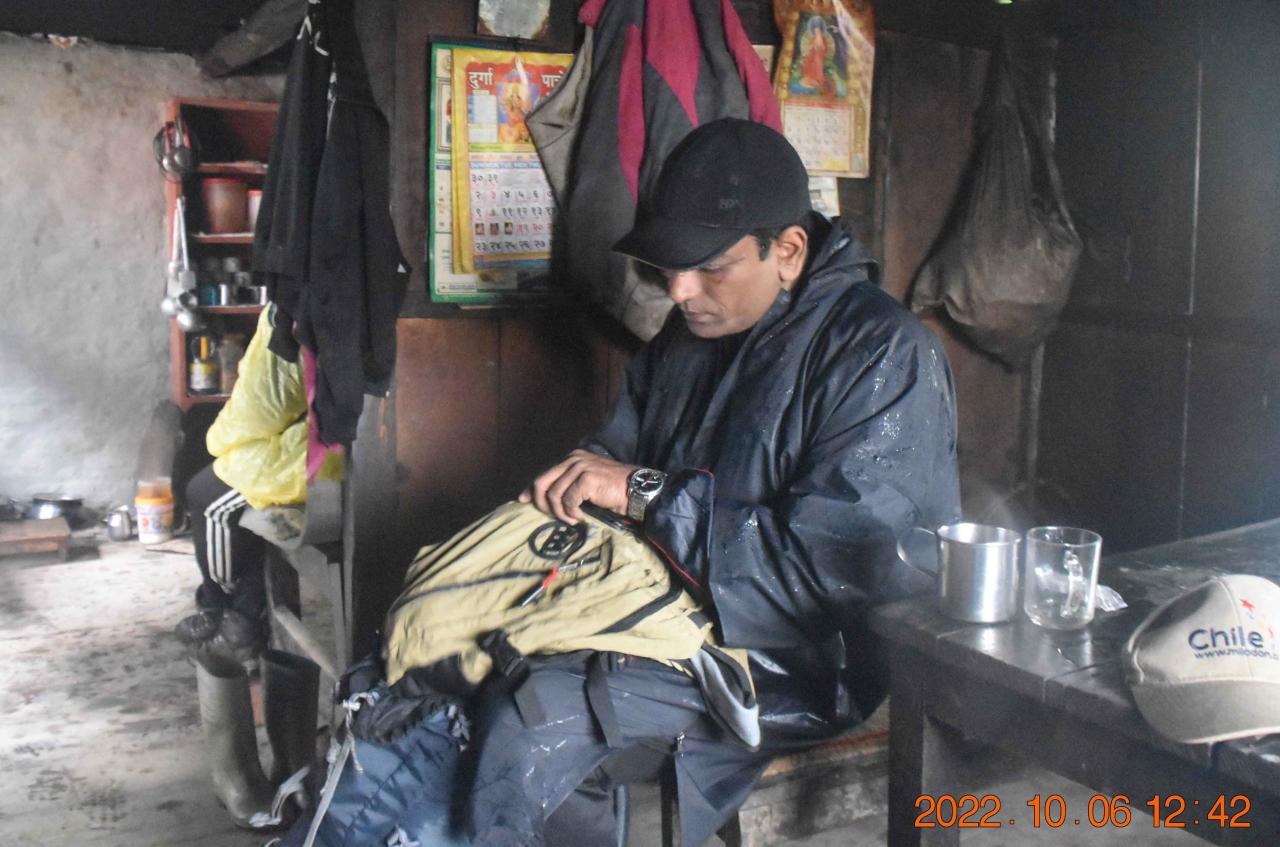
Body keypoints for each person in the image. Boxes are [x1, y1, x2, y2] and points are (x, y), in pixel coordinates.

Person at [284, 117, 960, 847]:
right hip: (651, 599)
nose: (681, 290)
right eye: (671, 267)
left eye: (710, 267)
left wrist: (645, 494)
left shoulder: (883, 355)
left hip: (793, 656)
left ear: (788, 251)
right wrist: (569, 504)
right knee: (437, 642)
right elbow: (611, 458)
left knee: (538, 714)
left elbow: (834, 575)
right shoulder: (691, 332)